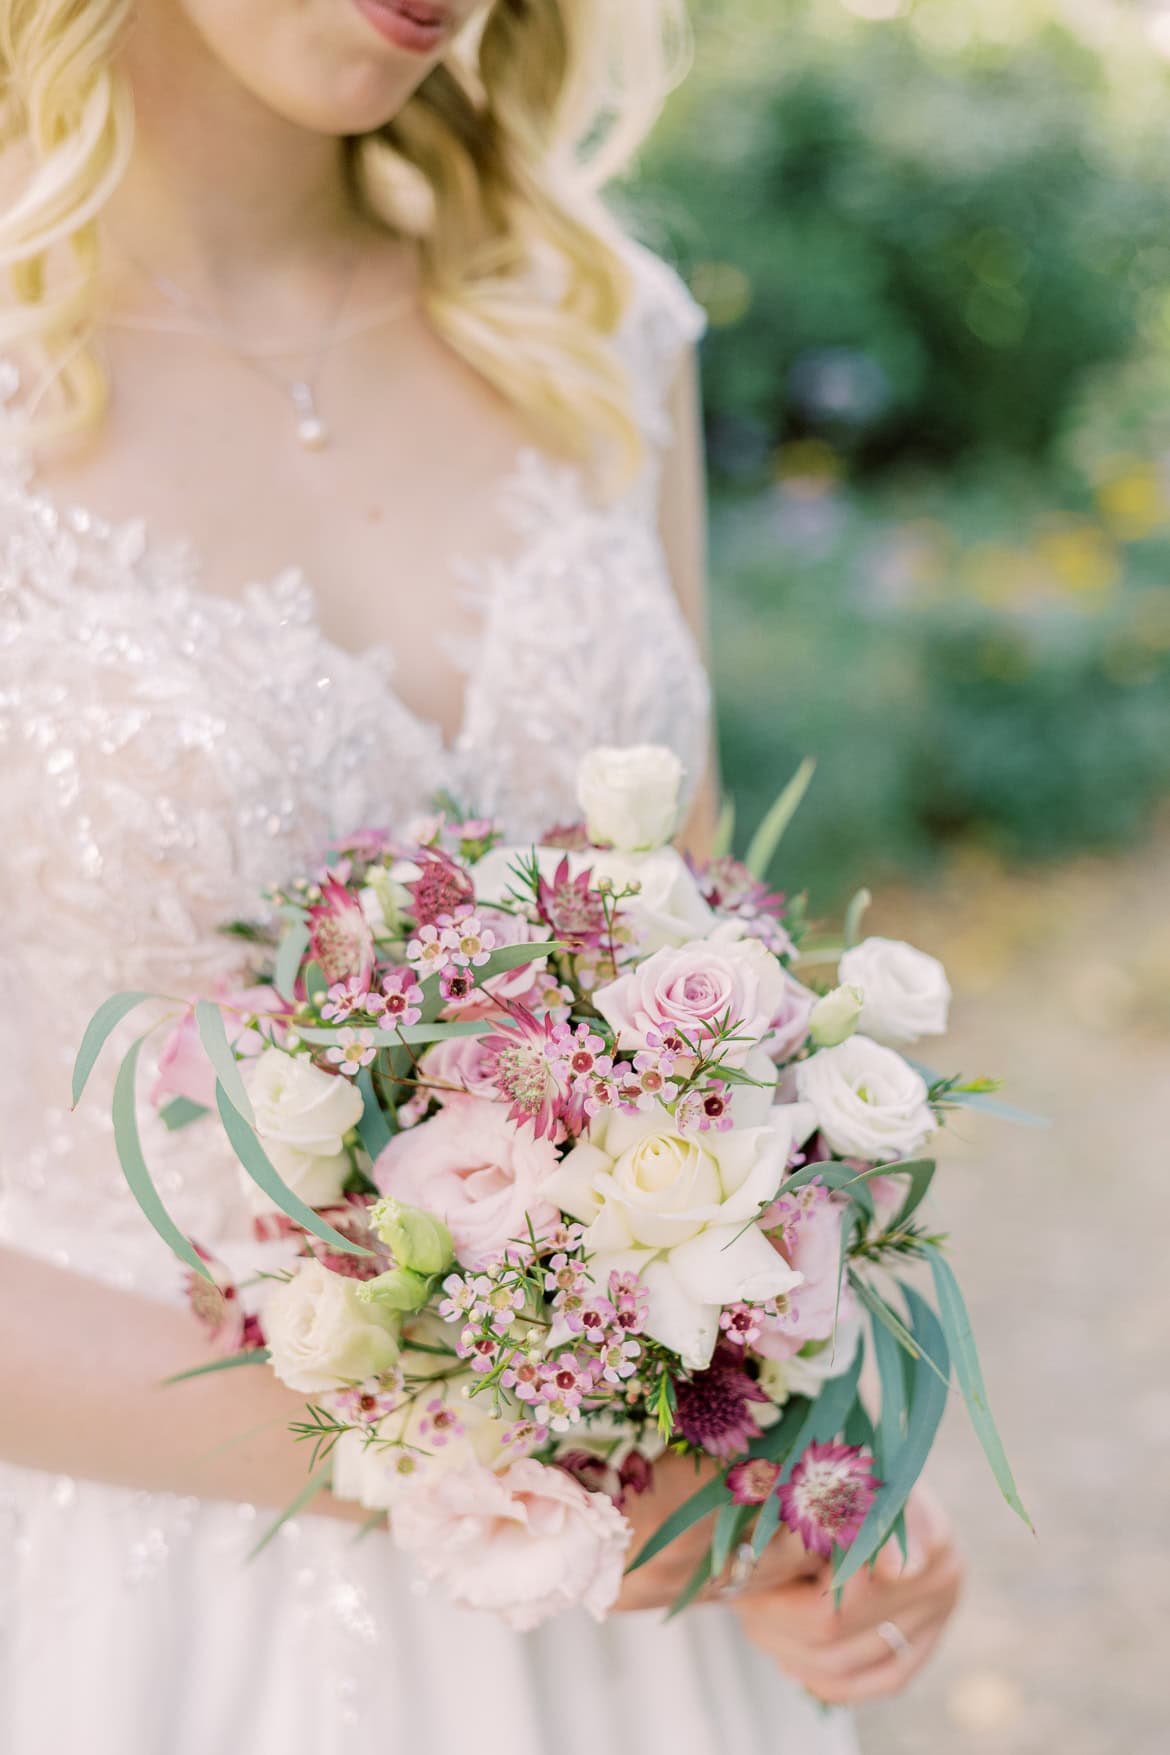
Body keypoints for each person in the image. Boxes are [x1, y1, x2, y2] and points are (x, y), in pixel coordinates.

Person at [0, 3, 963, 1751]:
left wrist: (820, 1460)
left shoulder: (597, 326)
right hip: (150, 1608)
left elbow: (712, 986)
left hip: (643, 1618)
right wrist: (471, 1452)